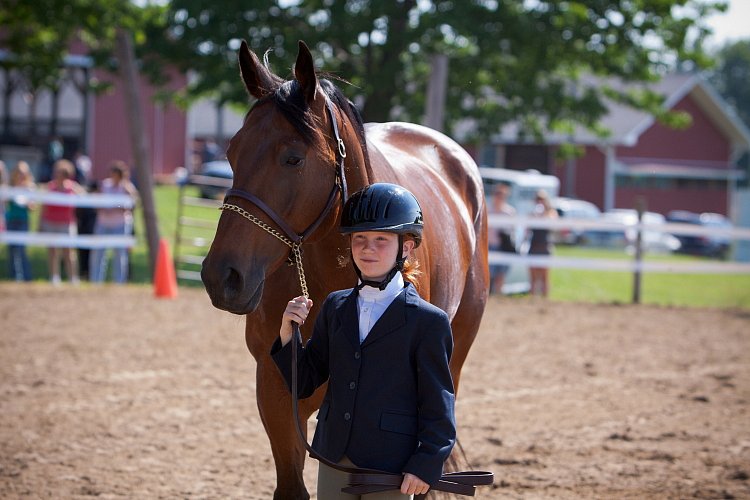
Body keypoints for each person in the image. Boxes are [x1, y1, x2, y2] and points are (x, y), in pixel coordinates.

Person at [271, 183, 456, 499]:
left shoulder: (429, 321)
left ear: (406, 247)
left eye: (380, 240)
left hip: (392, 465)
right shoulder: (335, 305)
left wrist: (425, 463)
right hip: (334, 456)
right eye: (360, 240)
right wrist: (288, 334)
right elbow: (304, 383)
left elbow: (438, 403)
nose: (368, 248)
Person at [89, 161, 138, 284]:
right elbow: (98, 201)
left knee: (120, 254)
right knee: (98, 253)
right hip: (103, 223)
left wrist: (114, 205)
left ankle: (119, 281)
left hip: (120, 225)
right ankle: (96, 281)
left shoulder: (127, 187)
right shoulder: (105, 185)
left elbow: (132, 204)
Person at [40, 159, 85, 285]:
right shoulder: (50, 187)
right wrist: (41, 222)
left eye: (63, 173)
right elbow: (44, 206)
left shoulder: (72, 187)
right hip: (51, 222)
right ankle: (54, 277)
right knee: (52, 251)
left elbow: (84, 196)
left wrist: (77, 190)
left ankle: (73, 278)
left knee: (69, 252)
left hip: (67, 223)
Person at [5, 161, 37, 281]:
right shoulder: (11, 187)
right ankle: (14, 277)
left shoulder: (30, 188)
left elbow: (33, 207)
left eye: (23, 173)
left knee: (21, 250)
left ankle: (26, 277)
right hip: (11, 220)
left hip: (22, 221)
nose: (21, 175)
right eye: (19, 173)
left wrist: (28, 203)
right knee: (12, 250)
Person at [527, 189, 558, 297]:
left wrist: (543, 214)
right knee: (533, 278)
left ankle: (545, 301)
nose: (540, 201)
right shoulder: (532, 214)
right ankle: (532, 300)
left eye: (542, 199)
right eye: (538, 199)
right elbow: (527, 229)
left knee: (545, 277)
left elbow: (553, 226)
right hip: (534, 245)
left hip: (545, 246)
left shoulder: (551, 213)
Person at [488, 183, 517, 294]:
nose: (499, 197)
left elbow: (513, 230)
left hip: (503, 246)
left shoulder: (509, 212)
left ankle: (498, 296)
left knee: (501, 275)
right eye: (497, 194)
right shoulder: (488, 209)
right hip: (489, 246)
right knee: (489, 275)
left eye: (502, 195)